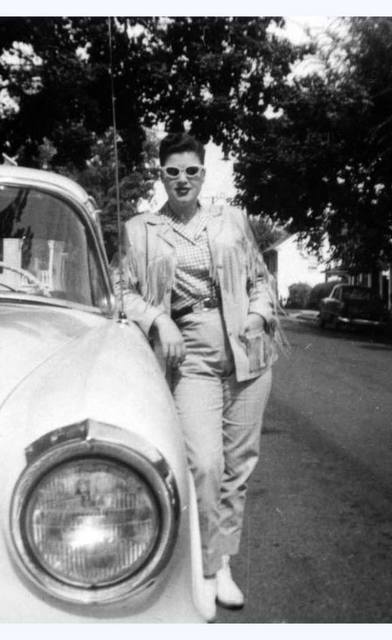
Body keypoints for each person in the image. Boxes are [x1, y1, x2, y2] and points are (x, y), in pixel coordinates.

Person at [115, 132, 280, 619]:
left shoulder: (231, 221)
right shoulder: (140, 229)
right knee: (204, 463)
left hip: (248, 350)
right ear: (160, 175)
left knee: (238, 465)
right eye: (172, 172)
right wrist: (158, 319)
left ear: (203, 175)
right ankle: (204, 570)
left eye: (191, 171)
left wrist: (259, 315)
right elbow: (121, 291)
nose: (182, 180)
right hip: (191, 355)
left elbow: (259, 281)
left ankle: (221, 564)